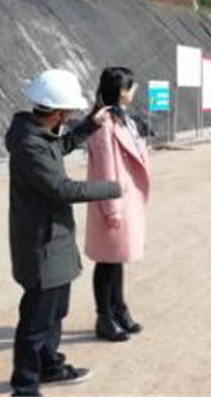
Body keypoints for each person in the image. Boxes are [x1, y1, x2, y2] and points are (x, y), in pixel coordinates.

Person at [6, 69, 122, 397]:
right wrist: (113, 187)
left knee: (55, 312)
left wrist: (89, 124)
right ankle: (24, 387)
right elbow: (62, 188)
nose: (71, 116)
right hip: (41, 244)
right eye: (69, 112)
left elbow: (63, 145)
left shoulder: (40, 134)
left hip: (54, 239)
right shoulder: (30, 144)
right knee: (36, 321)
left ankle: (49, 366)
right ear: (56, 113)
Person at [85, 67, 151, 342]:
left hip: (125, 199)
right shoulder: (104, 124)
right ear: (123, 92)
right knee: (107, 261)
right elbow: (104, 169)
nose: (135, 91)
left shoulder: (119, 119)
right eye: (132, 87)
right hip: (114, 202)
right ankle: (104, 317)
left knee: (117, 258)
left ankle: (119, 310)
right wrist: (112, 209)